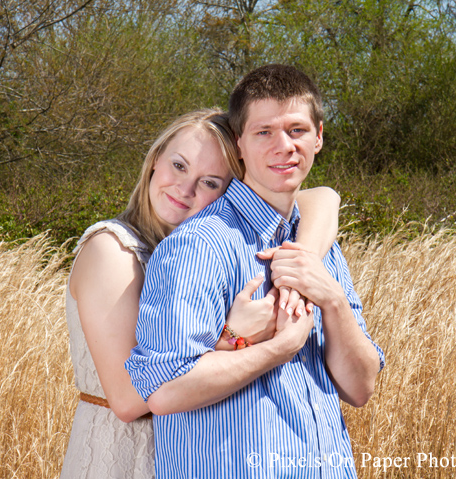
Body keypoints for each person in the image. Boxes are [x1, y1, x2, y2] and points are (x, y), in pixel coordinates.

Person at [126, 65, 385, 478]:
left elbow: (360, 388)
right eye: (264, 132)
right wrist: (279, 348)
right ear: (239, 144)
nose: (284, 146)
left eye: (297, 130)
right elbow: (164, 389)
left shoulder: (320, 249)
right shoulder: (201, 245)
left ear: (319, 137)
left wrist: (331, 299)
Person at [61, 108, 342, 479]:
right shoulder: (112, 251)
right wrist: (234, 338)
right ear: (155, 159)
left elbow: (323, 197)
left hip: (188, 452)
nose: (185, 188)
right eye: (178, 166)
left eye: (210, 182)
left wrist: (297, 267)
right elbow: (130, 399)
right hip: (125, 454)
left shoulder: (194, 252)